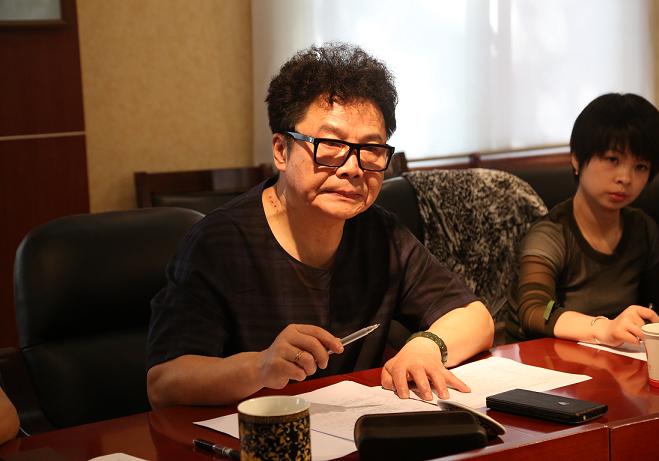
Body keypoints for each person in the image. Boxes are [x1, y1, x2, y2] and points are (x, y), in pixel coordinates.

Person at [146, 43, 494, 407]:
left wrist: (427, 345)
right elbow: (164, 382)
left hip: (356, 426)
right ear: (281, 151)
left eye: (370, 148)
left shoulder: (380, 233)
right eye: (330, 144)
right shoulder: (220, 243)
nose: (353, 168)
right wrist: (260, 366)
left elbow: (474, 317)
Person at [506, 93, 659, 346]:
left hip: (620, 360)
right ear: (576, 159)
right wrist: (603, 328)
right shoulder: (550, 234)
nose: (625, 178)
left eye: (641, 167)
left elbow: (655, 310)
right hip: (549, 361)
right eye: (612, 160)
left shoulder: (644, 230)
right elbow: (537, 310)